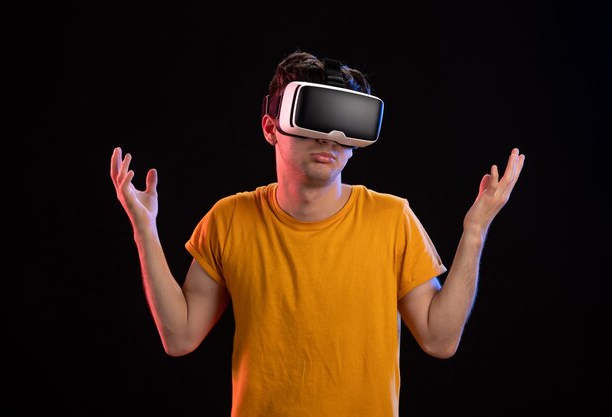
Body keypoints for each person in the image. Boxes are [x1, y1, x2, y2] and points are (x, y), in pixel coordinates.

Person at [110, 51, 525, 416]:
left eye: (344, 124)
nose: (330, 138)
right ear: (271, 128)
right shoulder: (230, 219)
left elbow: (440, 339)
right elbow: (179, 336)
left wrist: (475, 231)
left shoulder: (391, 218)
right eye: (314, 120)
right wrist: (144, 230)